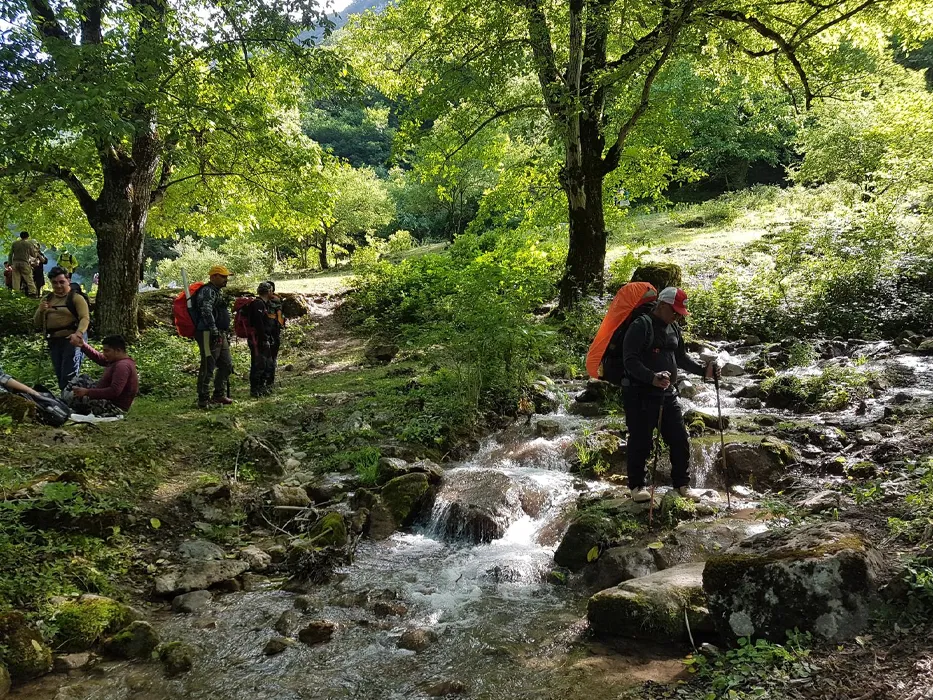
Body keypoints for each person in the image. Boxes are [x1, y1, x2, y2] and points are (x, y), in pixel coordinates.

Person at [621, 286, 720, 503]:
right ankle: (637, 486)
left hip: (667, 394)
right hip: (639, 393)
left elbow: (681, 358)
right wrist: (652, 377)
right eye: (674, 311)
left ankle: (682, 484)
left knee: (679, 438)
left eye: (679, 313)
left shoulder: (673, 328)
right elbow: (629, 361)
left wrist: (704, 371)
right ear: (662, 305)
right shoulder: (641, 326)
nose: (677, 316)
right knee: (641, 440)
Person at [35, 267, 91, 391]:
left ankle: (70, 401)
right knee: (60, 374)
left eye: (61, 282)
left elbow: (85, 318)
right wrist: (41, 310)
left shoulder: (76, 298)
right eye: (55, 283)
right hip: (54, 341)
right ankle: (67, 399)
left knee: (69, 373)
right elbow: (37, 322)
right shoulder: (47, 299)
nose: (58, 286)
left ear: (68, 281)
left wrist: (78, 334)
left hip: (72, 340)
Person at [66, 335, 138, 415]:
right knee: (82, 379)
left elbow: (114, 391)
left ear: (118, 350)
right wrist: (83, 345)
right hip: (106, 399)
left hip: (113, 407)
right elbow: (99, 358)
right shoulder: (115, 360)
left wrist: (87, 392)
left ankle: (64, 404)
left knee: (76, 398)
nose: (104, 354)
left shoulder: (122, 366)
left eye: (107, 351)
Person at [193, 265, 234, 409]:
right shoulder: (207, 291)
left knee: (227, 364)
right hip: (207, 333)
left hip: (220, 333)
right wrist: (213, 329)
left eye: (226, 276)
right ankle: (203, 399)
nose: (226, 279)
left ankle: (218, 395)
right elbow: (206, 311)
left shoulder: (217, 292)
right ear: (213, 276)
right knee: (208, 365)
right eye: (223, 276)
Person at [245, 282, 278, 397]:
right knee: (258, 364)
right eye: (271, 291)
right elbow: (259, 324)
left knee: (267, 364)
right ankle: (255, 389)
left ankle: (262, 387)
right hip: (257, 340)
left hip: (263, 338)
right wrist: (264, 339)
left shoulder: (263, 304)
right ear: (268, 291)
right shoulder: (258, 304)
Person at [7, 232, 39, 297]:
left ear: (20, 236)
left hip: (15, 263)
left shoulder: (15, 243)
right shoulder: (29, 244)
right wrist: (36, 251)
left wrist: (10, 263)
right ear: (27, 236)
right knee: (29, 278)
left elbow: (10, 254)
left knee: (16, 279)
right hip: (24, 263)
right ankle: (32, 293)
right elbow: (33, 255)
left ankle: (16, 293)